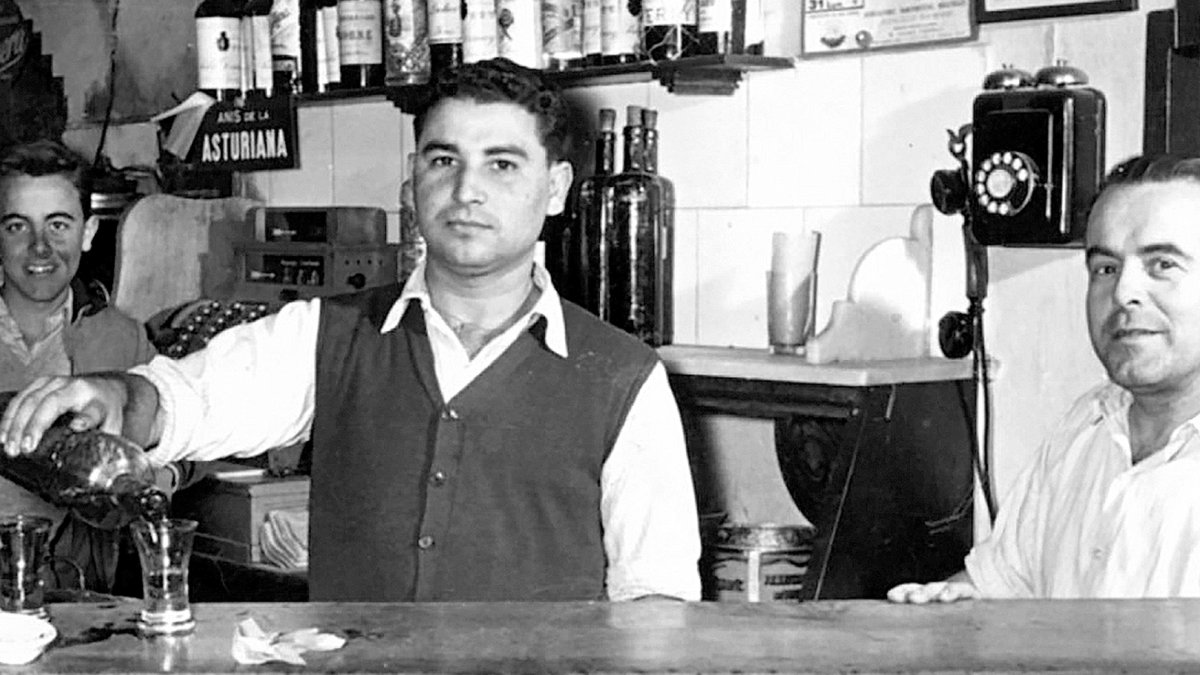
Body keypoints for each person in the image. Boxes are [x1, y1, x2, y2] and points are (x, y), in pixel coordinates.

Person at [0, 58, 702, 602]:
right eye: (443, 159)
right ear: (412, 178)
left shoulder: (623, 379)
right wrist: (115, 397)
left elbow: (657, 606)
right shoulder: (326, 334)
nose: (466, 190)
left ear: (556, 188)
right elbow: (188, 401)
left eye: (503, 163)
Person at [888, 153, 1200, 602]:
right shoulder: (1089, 425)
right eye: (1106, 269)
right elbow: (1002, 587)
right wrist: (952, 607)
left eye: (1162, 265)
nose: (1124, 293)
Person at [0, 138, 178, 595]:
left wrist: (155, 474)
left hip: (82, 603)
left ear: (89, 231)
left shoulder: (121, 338)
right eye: (18, 227)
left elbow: (187, 430)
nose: (40, 247)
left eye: (58, 225)